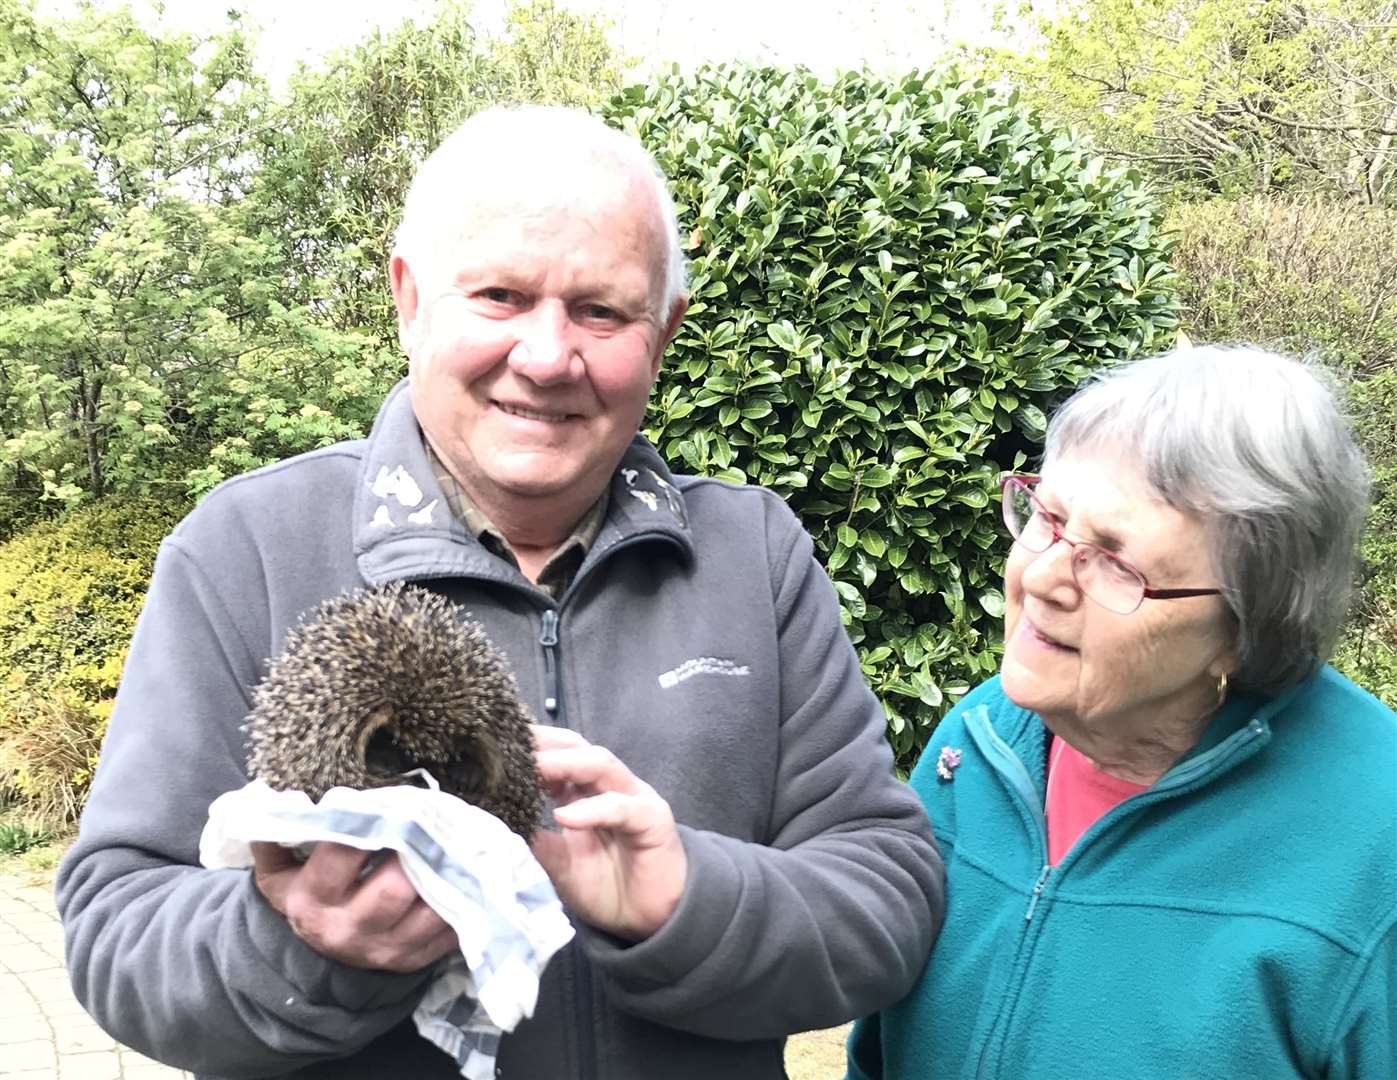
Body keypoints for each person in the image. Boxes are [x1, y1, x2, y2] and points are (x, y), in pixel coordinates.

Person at [55, 105, 944, 1079]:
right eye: (499, 296)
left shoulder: (752, 554)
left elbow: (883, 901)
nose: (548, 355)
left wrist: (682, 901)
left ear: (662, 331)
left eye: (600, 310)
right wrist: (301, 945)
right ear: (408, 297)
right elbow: (117, 937)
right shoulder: (245, 548)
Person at [847, 344, 1396, 1079]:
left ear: (1243, 627)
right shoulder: (976, 745)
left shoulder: (1372, 840)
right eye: (1047, 517)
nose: (1041, 577)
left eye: (1115, 560)